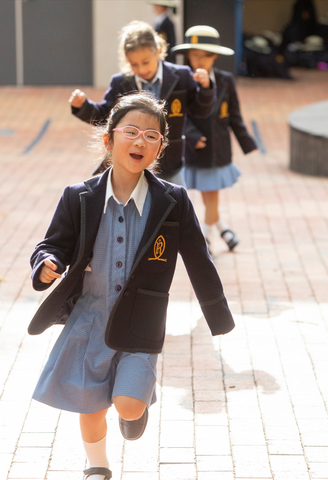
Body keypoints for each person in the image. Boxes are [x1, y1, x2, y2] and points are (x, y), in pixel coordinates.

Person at [28, 92, 235, 480]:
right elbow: (52, 243)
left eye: (151, 136)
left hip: (141, 322)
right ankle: (97, 466)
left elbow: (198, 258)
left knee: (127, 405)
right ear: (109, 140)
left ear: (160, 148)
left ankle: (133, 410)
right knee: (89, 407)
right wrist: (46, 264)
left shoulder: (172, 200)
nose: (140, 141)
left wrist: (218, 315)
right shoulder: (80, 196)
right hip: (89, 321)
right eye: (131, 132)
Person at [69, 20, 216, 185]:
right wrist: (82, 106)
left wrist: (206, 88)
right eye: (134, 64)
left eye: (146, 62)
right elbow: (104, 115)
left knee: (175, 206)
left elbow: (201, 111)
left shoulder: (181, 76)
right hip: (131, 162)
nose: (141, 69)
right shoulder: (120, 82)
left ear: (158, 51)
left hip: (169, 164)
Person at [171, 26, 257, 253]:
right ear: (188, 54)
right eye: (194, 54)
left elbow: (234, 116)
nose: (199, 60)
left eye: (205, 55)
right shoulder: (181, 79)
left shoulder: (226, 80)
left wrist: (247, 142)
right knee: (209, 198)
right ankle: (217, 231)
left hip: (218, 149)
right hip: (194, 148)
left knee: (212, 198)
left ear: (215, 56)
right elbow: (179, 113)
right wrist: (191, 135)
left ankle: (210, 234)